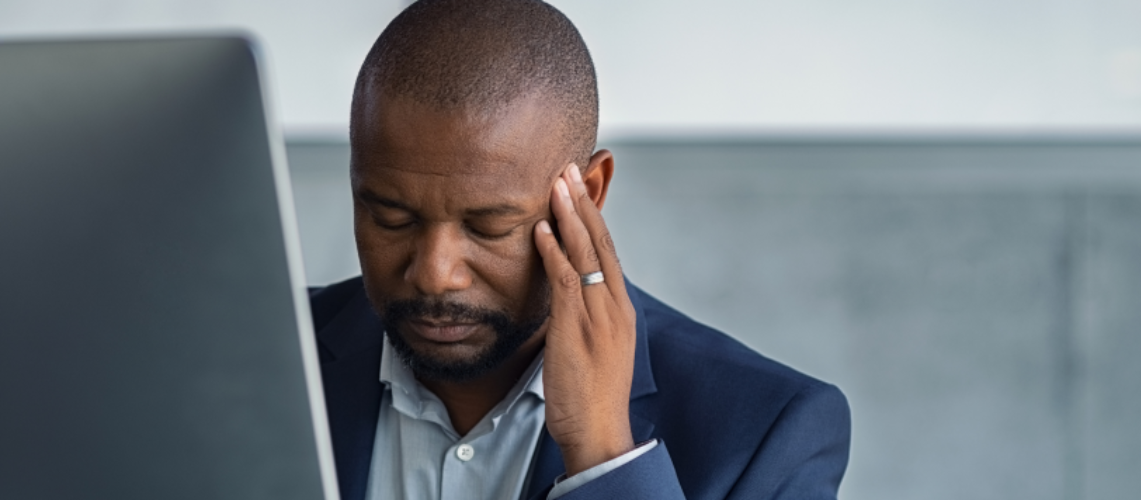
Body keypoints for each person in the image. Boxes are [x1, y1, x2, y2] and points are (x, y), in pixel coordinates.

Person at [308, 1, 851, 498]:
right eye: (392, 217)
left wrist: (605, 458)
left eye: (488, 227)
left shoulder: (768, 437)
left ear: (586, 194)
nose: (434, 273)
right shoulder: (248, 355)